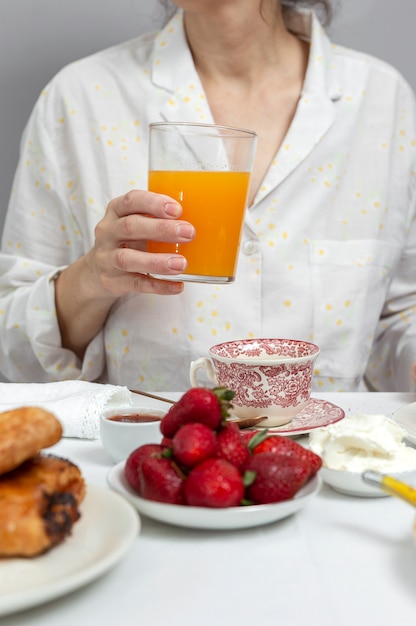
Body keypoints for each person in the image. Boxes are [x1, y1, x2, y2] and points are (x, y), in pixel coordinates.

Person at [0, 0, 415, 393]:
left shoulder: (383, 102)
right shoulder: (81, 98)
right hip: (153, 458)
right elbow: (14, 357)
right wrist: (91, 278)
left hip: (335, 461)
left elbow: (398, 321)